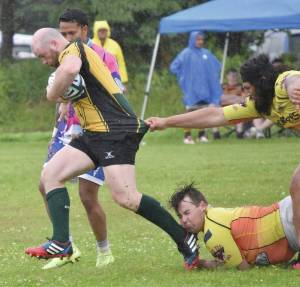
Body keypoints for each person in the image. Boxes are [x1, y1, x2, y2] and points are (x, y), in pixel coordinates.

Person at [25, 28, 199, 270]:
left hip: (116, 129)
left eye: (42, 55)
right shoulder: (68, 55)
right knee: (49, 176)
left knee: (126, 197)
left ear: (54, 43)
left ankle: (185, 238)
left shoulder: (73, 49)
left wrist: (54, 92)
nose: (43, 62)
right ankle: (62, 242)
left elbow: (71, 69)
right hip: (94, 132)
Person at [146, 54, 300, 248]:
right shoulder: (259, 105)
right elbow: (214, 115)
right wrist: (166, 122)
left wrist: (294, 86)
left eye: (248, 88)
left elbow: (292, 79)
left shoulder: (281, 84)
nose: (246, 95)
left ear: (262, 82)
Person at [39, 9, 121, 270]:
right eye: (62, 34)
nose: (66, 38)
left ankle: (104, 250)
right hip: (65, 130)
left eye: (71, 33)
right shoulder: (63, 56)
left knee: (87, 196)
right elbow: (60, 90)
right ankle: (66, 246)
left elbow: (114, 91)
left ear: (85, 31)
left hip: (94, 131)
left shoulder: (103, 56)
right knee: (45, 184)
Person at [170, 183, 300, 270]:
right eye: (180, 216)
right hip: (288, 217)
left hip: (289, 221)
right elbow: (229, 263)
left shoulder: (212, 232)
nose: (184, 221)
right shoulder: (215, 216)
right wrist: (200, 263)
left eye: (187, 213)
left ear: (202, 206)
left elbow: (242, 267)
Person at [169, 31, 222, 144]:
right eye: (198, 39)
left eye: (202, 39)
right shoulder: (185, 53)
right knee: (189, 112)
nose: (200, 42)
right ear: (192, 39)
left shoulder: (206, 53)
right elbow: (174, 67)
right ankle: (187, 136)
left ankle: (201, 135)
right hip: (191, 89)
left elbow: (216, 66)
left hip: (204, 89)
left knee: (202, 112)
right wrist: (184, 76)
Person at [93, 20, 128, 87]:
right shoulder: (90, 44)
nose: (102, 32)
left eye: (105, 30)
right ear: (95, 31)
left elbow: (121, 64)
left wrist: (123, 82)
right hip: (95, 81)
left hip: (114, 80)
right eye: (100, 30)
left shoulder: (115, 45)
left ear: (108, 31)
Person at [221, 68, 246, 138]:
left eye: (235, 76)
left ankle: (239, 135)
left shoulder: (241, 87)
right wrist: (235, 98)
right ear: (227, 76)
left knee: (239, 112)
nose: (233, 78)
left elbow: (243, 99)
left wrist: (228, 98)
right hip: (223, 110)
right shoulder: (222, 87)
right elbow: (220, 99)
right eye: (231, 76)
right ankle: (216, 135)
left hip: (237, 109)